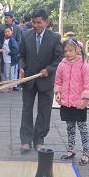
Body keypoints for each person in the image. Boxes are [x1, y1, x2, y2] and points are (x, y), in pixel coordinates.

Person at [18, 8, 63, 151]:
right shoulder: (26, 35)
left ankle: (39, 139)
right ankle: (25, 140)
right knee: (26, 110)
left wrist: (48, 70)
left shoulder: (55, 37)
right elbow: (21, 56)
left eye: (38, 22)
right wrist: (21, 67)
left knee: (44, 111)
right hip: (29, 79)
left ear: (46, 22)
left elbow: (59, 58)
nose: (35, 25)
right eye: (33, 22)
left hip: (46, 80)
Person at [54, 38, 89, 164]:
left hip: (79, 102)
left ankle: (86, 152)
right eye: (65, 51)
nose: (68, 53)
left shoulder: (84, 65)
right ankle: (71, 149)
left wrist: (85, 99)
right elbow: (58, 81)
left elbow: (88, 84)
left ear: (77, 49)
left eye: (70, 50)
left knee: (82, 128)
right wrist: (58, 93)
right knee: (70, 127)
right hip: (66, 102)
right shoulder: (61, 65)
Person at [1, 26, 19, 92]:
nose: (7, 33)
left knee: (11, 74)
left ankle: (11, 87)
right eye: (5, 32)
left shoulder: (12, 40)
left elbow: (16, 49)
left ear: (12, 31)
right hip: (6, 60)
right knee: (7, 74)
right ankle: (8, 87)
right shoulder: (5, 39)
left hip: (11, 60)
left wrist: (10, 53)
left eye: (8, 31)